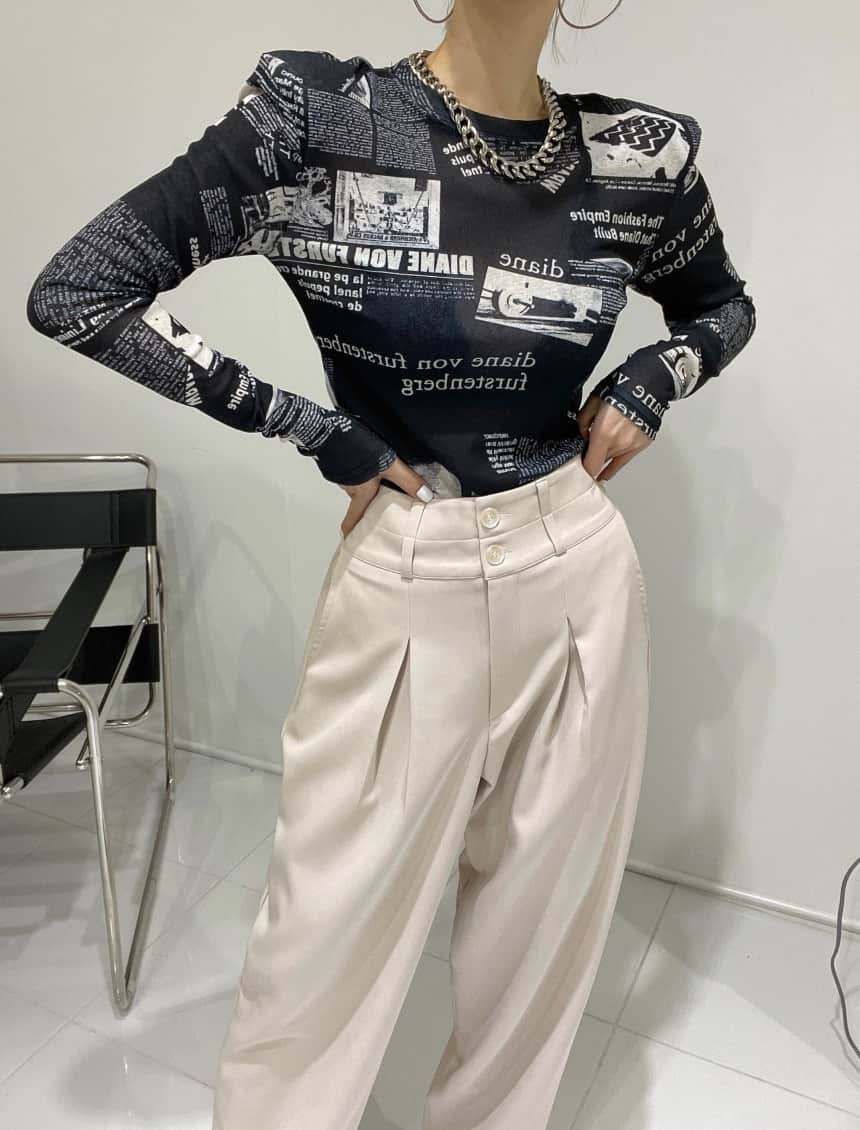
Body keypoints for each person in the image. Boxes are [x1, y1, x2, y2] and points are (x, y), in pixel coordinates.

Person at [25, 1, 757, 1126]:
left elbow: (722, 306)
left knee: (538, 944)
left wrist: (658, 375)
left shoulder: (636, 156)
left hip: (576, 562)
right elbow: (79, 291)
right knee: (319, 948)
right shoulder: (320, 116)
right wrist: (310, 428)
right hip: (411, 562)